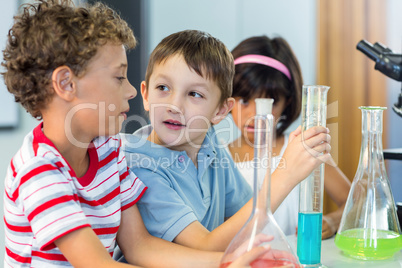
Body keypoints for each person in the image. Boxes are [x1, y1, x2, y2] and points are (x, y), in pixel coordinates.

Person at [2, 1, 265, 267]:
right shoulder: (39, 170)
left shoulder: (108, 148)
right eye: (119, 78)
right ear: (66, 84)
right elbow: (99, 265)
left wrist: (228, 263)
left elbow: (140, 246)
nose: (131, 91)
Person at [122, 29, 332, 253]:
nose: (174, 105)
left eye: (194, 94)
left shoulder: (207, 142)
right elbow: (205, 245)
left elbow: (245, 218)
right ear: (145, 95)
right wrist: (286, 176)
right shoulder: (140, 165)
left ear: (220, 111)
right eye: (163, 88)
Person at [225, 35, 351, 239]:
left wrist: (333, 220)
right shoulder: (220, 157)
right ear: (227, 98)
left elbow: (354, 199)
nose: (256, 115)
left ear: (287, 102)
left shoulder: (301, 149)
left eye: (269, 103)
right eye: (245, 100)